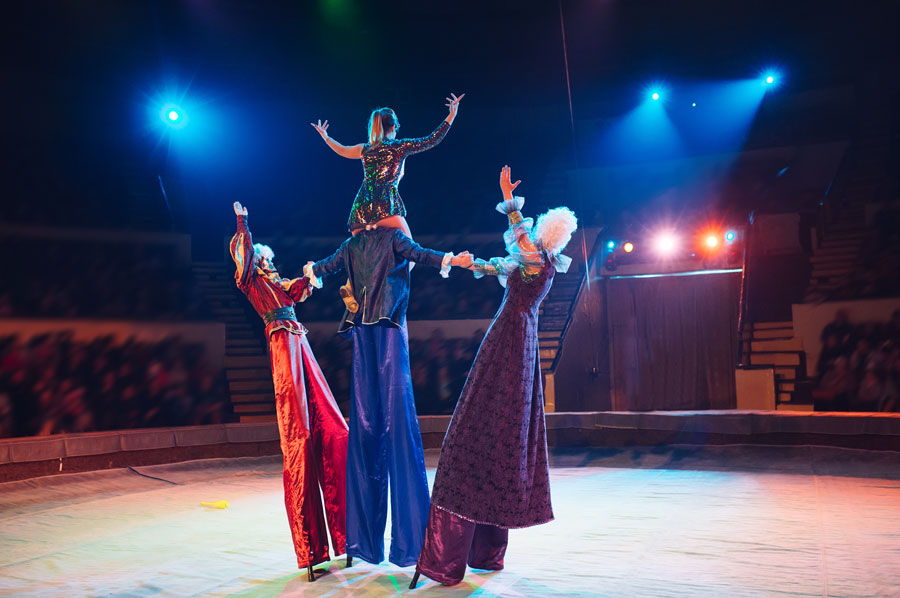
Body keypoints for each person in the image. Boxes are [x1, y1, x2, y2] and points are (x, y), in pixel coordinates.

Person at [411, 166, 578, 588]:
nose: (532, 232)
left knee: (474, 433)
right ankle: (486, 554)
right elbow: (500, 265)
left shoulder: (536, 260)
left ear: (544, 235)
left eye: (537, 229)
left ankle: (450, 556)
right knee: (499, 434)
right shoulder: (534, 264)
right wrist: (469, 264)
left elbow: (518, 239)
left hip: (509, 340)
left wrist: (506, 197)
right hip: (518, 342)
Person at [303, 224, 473, 568]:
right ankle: (407, 544)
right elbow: (420, 255)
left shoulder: (351, 243)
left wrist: (307, 277)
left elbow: (325, 266)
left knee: (366, 419)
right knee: (395, 411)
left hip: (362, 327)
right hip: (388, 323)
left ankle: (363, 542)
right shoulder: (392, 238)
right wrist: (452, 259)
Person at [229, 201, 349, 582]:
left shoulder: (279, 285)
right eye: (266, 262)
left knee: (334, 430)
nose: (270, 267)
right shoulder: (251, 281)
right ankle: (312, 547)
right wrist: (243, 223)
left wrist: (312, 276)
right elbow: (244, 260)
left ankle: (347, 536)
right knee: (298, 435)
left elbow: (297, 289)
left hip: (301, 344)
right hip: (283, 344)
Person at [311, 93, 464, 309]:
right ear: (394, 127)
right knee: (412, 255)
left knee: (360, 251)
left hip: (360, 210)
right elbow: (431, 140)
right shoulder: (399, 146)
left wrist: (326, 137)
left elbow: (343, 150)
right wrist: (451, 115)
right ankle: (385, 289)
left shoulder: (365, 149)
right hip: (385, 207)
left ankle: (351, 285)